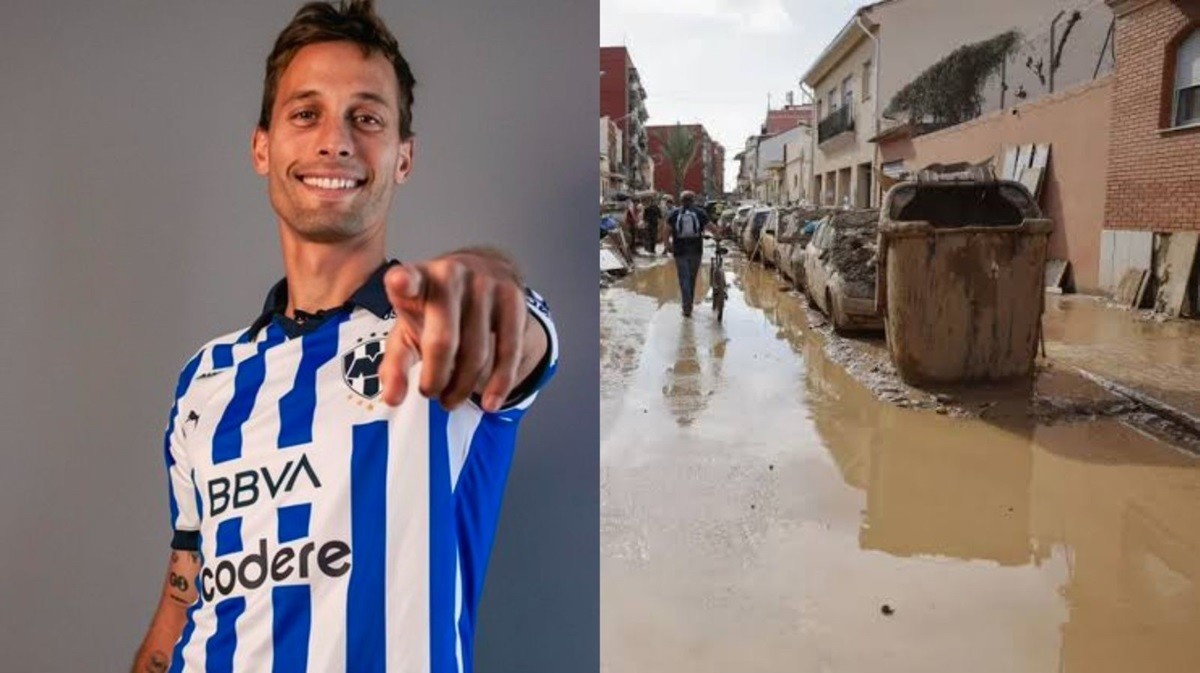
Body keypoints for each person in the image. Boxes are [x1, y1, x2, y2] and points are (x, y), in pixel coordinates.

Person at [129, 2, 558, 672]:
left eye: (367, 117)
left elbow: (510, 326)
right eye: (306, 113)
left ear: (403, 157)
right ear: (261, 146)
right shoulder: (204, 380)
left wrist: (490, 279)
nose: (336, 140)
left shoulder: (437, 334)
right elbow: (181, 607)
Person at [664, 191, 709, 317]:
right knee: (692, 278)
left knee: (684, 279)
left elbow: (666, 230)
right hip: (696, 251)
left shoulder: (674, 213)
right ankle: (689, 304)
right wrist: (719, 235)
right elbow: (711, 226)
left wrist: (667, 245)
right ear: (693, 200)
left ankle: (686, 307)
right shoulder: (699, 212)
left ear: (681, 201)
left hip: (679, 251)